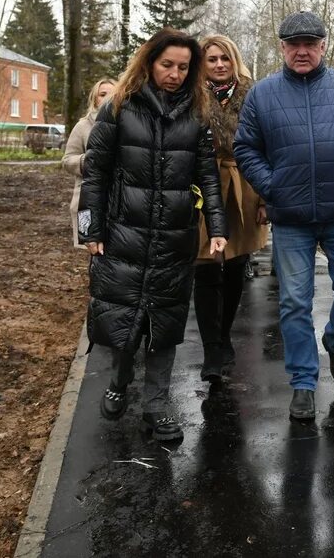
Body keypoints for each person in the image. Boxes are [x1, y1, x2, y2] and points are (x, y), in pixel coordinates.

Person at [233, 11, 334, 421]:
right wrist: (272, 186)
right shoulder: (263, 94)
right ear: (282, 47)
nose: (301, 51)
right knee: (293, 301)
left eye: (310, 44)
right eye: (293, 44)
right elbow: (246, 148)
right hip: (291, 217)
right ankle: (303, 381)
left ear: (324, 46)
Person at [78, 29, 228, 442]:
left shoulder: (196, 114)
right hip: (124, 234)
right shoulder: (118, 107)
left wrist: (217, 227)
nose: (175, 74)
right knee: (126, 318)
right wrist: (90, 229)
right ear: (149, 63)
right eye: (167, 65)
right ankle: (119, 380)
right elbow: (96, 173)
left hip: (175, 239)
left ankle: (157, 407)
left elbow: (207, 176)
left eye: (183, 67)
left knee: (165, 323)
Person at [192, 34, 269, 382]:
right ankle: (211, 349)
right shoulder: (191, 95)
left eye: (225, 58)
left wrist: (267, 198)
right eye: (212, 59)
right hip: (202, 188)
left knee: (236, 266)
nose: (220, 64)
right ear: (202, 63)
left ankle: (224, 337)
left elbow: (271, 145)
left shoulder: (255, 96)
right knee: (206, 268)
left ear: (234, 59)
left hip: (246, 185)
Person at [61, 78, 116, 247]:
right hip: (88, 200)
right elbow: (67, 160)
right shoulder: (83, 126)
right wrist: (88, 161)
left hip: (119, 201)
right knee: (92, 248)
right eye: (103, 94)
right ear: (95, 99)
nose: (108, 98)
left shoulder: (128, 124)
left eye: (113, 94)